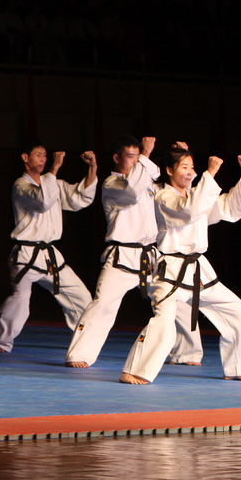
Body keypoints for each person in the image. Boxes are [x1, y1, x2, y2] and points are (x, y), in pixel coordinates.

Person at [121, 147, 241, 385]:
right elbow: (188, 211)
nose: (190, 172)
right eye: (184, 167)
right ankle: (133, 371)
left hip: (198, 270)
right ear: (169, 170)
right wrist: (210, 173)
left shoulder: (197, 195)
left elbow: (230, 208)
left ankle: (238, 366)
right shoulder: (163, 197)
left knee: (238, 312)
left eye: (192, 167)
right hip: (171, 270)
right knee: (164, 321)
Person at [64, 136, 202, 368]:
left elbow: (176, 186)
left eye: (138, 157)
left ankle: (187, 352)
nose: (136, 161)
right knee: (103, 304)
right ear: (116, 158)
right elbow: (132, 191)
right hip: (122, 256)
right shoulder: (112, 184)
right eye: (131, 157)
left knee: (176, 299)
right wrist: (146, 154)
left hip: (150, 256)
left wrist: (179, 156)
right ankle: (79, 354)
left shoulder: (148, 184)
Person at [0, 140, 96, 353]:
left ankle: (85, 340)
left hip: (50, 255)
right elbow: (43, 201)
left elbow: (81, 198)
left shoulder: (54, 184)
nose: (43, 159)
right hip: (26, 254)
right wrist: (55, 168)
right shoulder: (21, 185)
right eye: (38, 155)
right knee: (20, 299)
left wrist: (92, 168)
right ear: (25, 158)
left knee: (81, 296)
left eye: (45, 155)